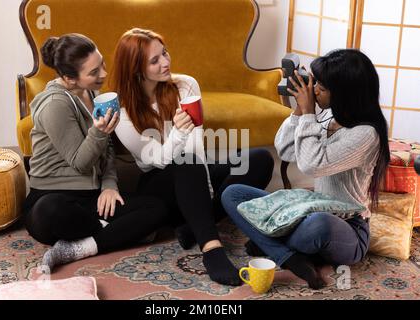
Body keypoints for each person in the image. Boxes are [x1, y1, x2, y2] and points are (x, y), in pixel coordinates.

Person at [109, 28, 274, 286]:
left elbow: (196, 146)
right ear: (135, 69)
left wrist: (206, 186)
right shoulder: (123, 112)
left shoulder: (185, 85)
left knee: (259, 159)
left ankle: (196, 224)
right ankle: (212, 249)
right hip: (160, 185)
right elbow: (159, 160)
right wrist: (177, 131)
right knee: (187, 164)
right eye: (154, 60)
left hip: (196, 172)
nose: (165, 62)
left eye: (164, 53)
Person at [221, 49, 390, 289]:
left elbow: (312, 165)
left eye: (321, 85)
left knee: (317, 225)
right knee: (234, 194)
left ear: (344, 92)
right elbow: (286, 151)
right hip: (305, 209)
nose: (314, 89)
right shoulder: (329, 117)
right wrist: (298, 112)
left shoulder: (366, 134)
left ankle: (271, 243)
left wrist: (309, 113)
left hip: (346, 226)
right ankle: (289, 257)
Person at [23, 33, 167, 273]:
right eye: (93, 72)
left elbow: (107, 149)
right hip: (53, 197)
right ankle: (117, 232)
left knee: (157, 208)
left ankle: (82, 246)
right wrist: (100, 132)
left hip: (91, 197)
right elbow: (80, 162)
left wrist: (109, 185)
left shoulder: (93, 94)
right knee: (51, 210)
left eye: (101, 64)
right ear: (69, 78)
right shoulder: (54, 105)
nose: (103, 74)